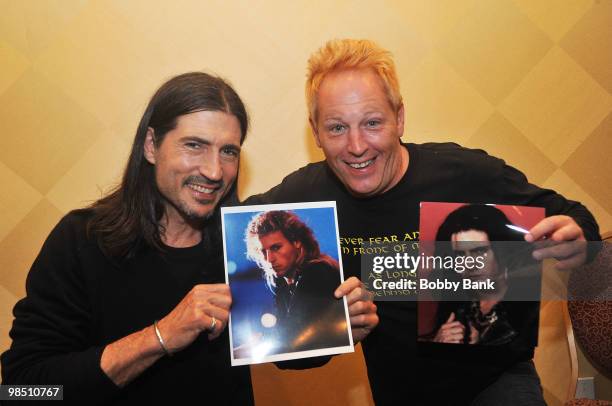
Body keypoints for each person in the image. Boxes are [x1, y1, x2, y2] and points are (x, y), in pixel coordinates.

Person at [244, 39, 600, 405]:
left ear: (399, 118)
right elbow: (293, 349)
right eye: (336, 128)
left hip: (495, 381)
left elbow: (574, 215)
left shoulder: (461, 173)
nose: (356, 146)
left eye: (372, 123)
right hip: (399, 393)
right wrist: (331, 327)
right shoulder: (303, 200)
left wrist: (578, 241)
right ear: (316, 131)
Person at [1, 71, 377, 404]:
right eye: (194, 145)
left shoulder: (236, 246)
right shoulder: (81, 240)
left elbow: (281, 350)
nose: (214, 171)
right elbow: (22, 388)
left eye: (228, 151)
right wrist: (160, 336)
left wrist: (338, 328)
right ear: (151, 145)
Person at [425, 204, 540, 347]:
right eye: (460, 255)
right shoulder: (457, 306)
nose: (470, 264)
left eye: (479, 252)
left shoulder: (531, 307)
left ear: (502, 252)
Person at [244, 210, 350, 353]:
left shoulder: (317, 272)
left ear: (297, 242)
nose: (269, 259)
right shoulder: (284, 281)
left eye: (276, 247)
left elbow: (292, 342)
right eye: (263, 251)